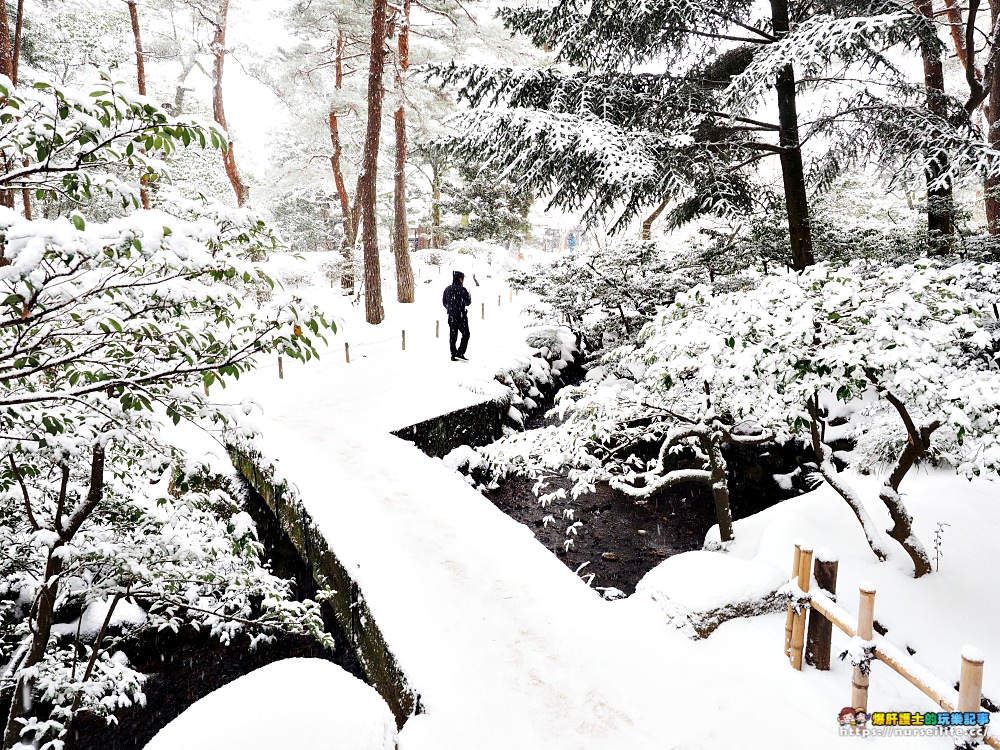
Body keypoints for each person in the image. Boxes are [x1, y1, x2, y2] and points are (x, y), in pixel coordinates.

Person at [442, 270, 472, 361]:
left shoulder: (447, 289)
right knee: (466, 334)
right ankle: (460, 352)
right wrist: (469, 296)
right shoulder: (463, 290)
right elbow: (467, 303)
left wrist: (450, 309)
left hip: (451, 316)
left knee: (453, 335)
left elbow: (444, 302)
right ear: (460, 279)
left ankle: (453, 354)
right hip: (461, 316)